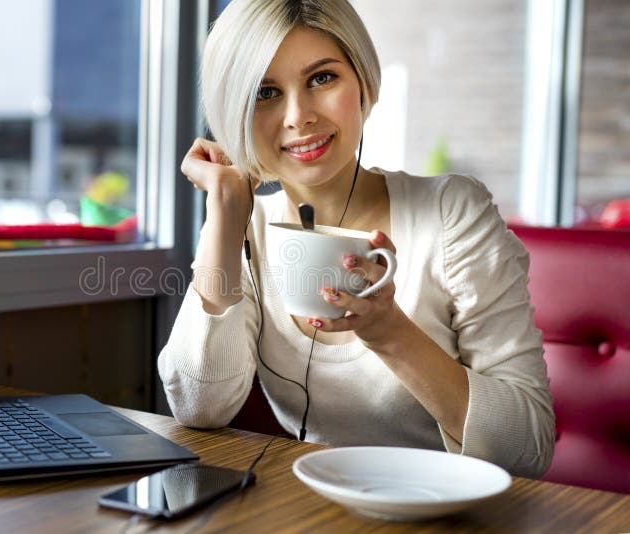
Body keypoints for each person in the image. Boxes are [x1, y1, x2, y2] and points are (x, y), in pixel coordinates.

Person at [158, 0, 554, 478]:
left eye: (322, 78)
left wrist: (391, 334)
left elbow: (529, 447)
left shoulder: (453, 212)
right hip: (315, 508)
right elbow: (200, 406)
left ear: (363, 82)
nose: (298, 116)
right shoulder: (246, 226)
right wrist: (224, 213)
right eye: (265, 92)